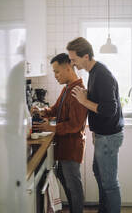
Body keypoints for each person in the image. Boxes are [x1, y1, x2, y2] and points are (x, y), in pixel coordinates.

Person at [66, 37, 124, 213]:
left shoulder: (102, 74)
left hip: (108, 137)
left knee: (110, 184)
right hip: (102, 136)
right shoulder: (94, 72)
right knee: (99, 174)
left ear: (85, 56)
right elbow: (101, 102)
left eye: (74, 59)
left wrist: (84, 101)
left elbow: (109, 109)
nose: (72, 63)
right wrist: (87, 96)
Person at [32, 53, 87, 213]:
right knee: (65, 180)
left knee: (73, 186)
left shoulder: (78, 91)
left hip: (71, 148)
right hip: (63, 147)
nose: (55, 76)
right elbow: (56, 109)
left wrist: (51, 128)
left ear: (68, 68)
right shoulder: (67, 89)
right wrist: (43, 111)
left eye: (57, 71)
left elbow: (75, 125)